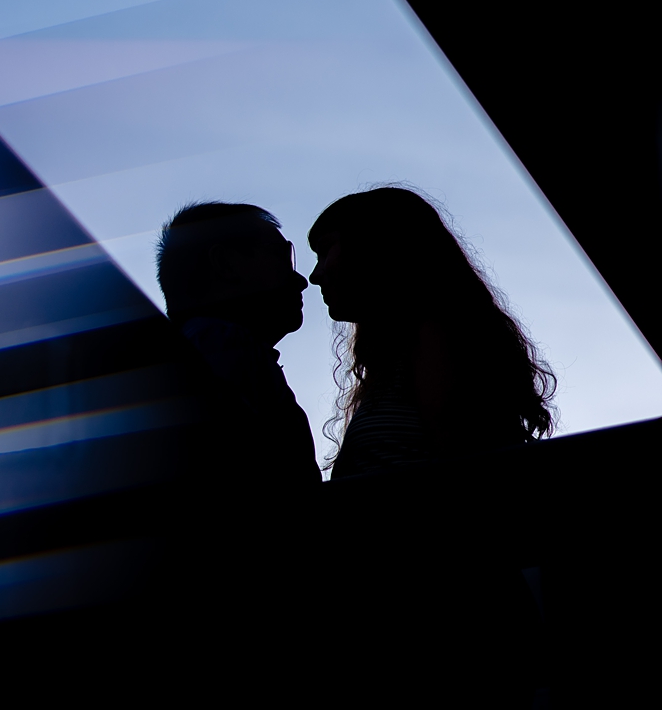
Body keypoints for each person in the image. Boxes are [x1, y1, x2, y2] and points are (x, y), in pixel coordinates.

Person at [307, 186, 556, 477]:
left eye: (325, 251)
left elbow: (464, 458)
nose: (315, 275)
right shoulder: (397, 359)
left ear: (373, 245)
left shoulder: (436, 335)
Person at [156, 201, 319, 486]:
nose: (301, 280)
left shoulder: (196, 347)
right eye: (282, 258)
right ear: (225, 264)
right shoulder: (222, 343)